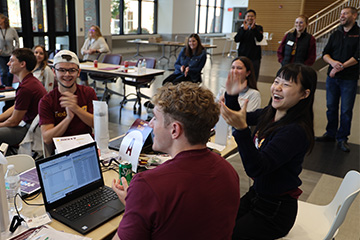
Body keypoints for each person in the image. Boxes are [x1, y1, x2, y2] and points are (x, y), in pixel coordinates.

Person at [112, 82, 240, 240]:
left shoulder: (147, 186)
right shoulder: (228, 171)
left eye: (155, 118)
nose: (150, 124)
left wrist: (137, 203)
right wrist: (138, 206)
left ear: (174, 130)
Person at [220, 63, 317, 239]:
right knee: (219, 225)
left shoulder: (295, 131)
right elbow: (239, 117)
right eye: (276, 81)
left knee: (230, 235)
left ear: (305, 94)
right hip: (256, 196)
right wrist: (232, 95)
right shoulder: (270, 113)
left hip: (275, 210)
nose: (277, 88)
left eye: (286, 84)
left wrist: (242, 131)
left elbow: (257, 168)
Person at [315, 7, 359, 153]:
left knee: (346, 110)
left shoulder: (358, 34)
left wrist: (339, 67)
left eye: (345, 14)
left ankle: (342, 138)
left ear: (354, 15)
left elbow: (357, 57)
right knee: (331, 107)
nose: (342, 16)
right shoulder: (335, 34)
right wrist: (333, 63)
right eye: (341, 14)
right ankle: (330, 133)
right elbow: (325, 53)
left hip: (349, 79)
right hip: (332, 78)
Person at [38, 50, 97, 147]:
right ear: (54, 72)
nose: (67, 74)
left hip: (87, 146)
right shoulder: (46, 101)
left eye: (72, 70)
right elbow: (47, 138)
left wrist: (76, 109)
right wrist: (68, 118)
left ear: (78, 73)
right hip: (62, 150)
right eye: (62, 70)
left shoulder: (88, 92)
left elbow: (97, 124)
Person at [0, 48, 47, 146]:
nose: (8, 64)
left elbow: (14, 121)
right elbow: (16, 107)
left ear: (22, 64)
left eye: (12, 61)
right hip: (29, 125)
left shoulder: (26, 87)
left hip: (32, 130)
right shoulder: (29, 82)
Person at [234, 9, 263, 81]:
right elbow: (236, 39)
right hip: (243, 56)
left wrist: (254, 29)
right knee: (242, 74)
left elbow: (259, 38)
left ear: (255, 18)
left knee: (254, 75)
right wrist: (243, 30)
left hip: (255, 57)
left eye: (252, 16)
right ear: (245, 18)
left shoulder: (259, 28)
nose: (250, 18)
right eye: (248, 16)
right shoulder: (241, 28)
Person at [0, 14, 19, 87]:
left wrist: (16, 50)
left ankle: (9, 86)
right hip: (1, 54)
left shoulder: (12, 30)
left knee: (10, 71)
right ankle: (4, 86)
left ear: (3, 20)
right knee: (3, 72)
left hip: (11, 54)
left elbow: (17, 40)